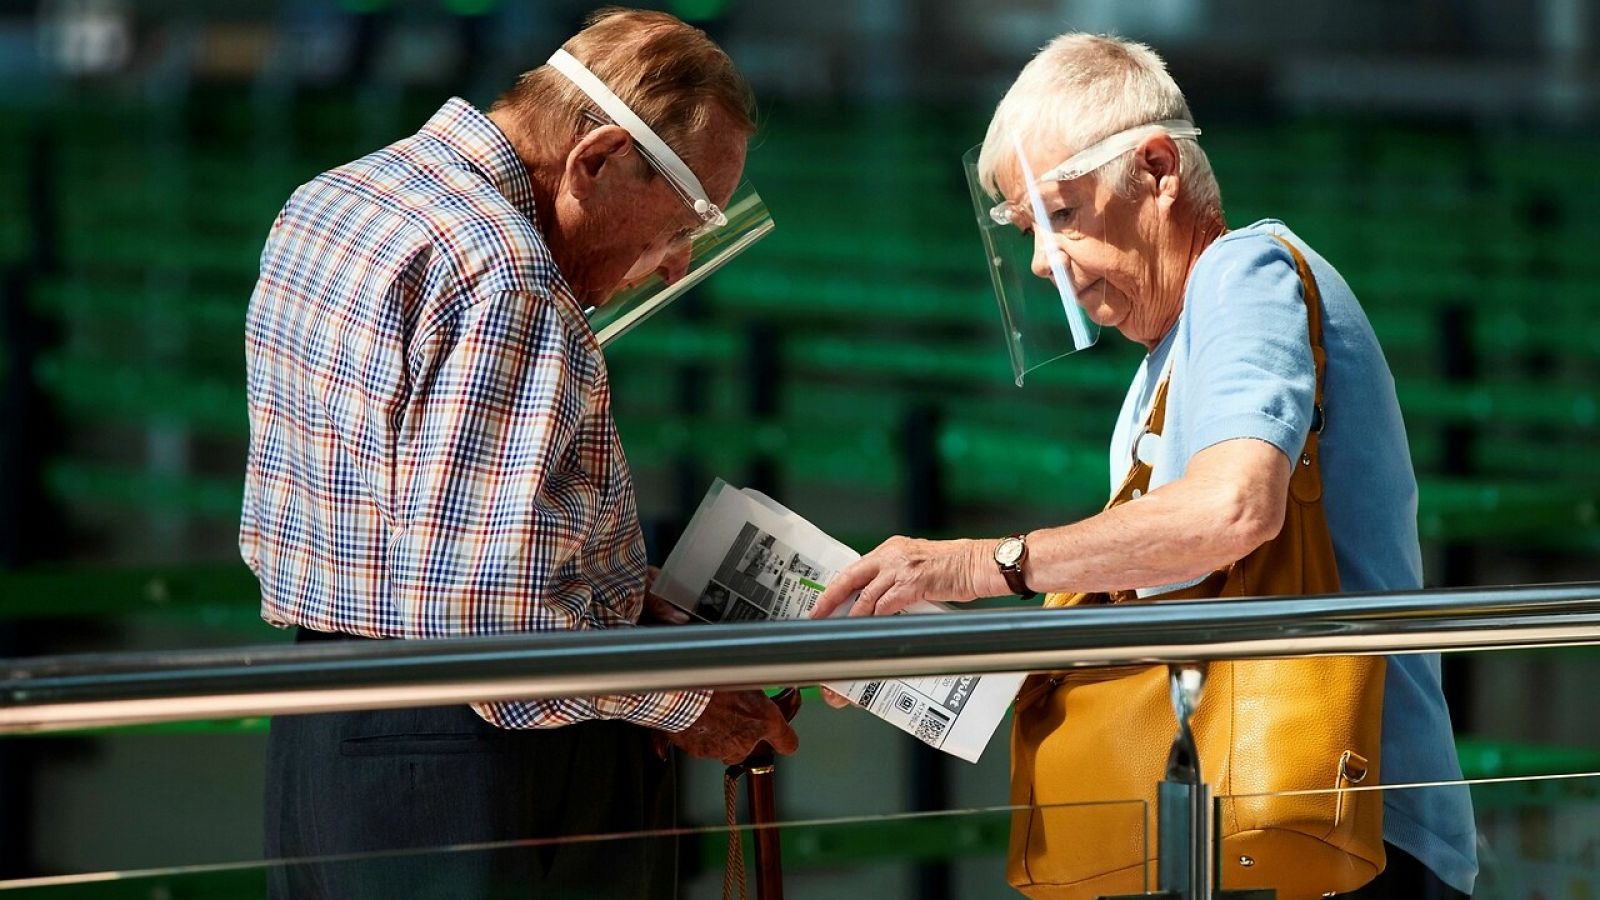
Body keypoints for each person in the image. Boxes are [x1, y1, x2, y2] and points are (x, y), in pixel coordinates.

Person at [811, 33, 1476, 899]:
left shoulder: (1244, 273)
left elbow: (1232, 512)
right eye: (1026, 233)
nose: (1043, 261)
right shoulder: (1167, 354)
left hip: (1342, 825)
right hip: (1257, 823)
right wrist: (924, 644)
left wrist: (981, 564)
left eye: (1060, 214)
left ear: (1158, 169)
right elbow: (1158, 590)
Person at [241, 9, 797, 899]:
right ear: (598, 158)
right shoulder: (509, 278)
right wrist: (689, 701)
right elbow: (492, 630)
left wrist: (616, 602)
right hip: (478, 766)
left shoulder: (334, 198)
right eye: (686, 216)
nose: (674, 261)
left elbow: (402, 542)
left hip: (323, 731)